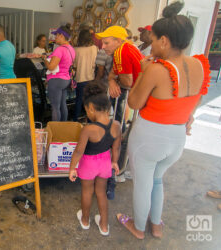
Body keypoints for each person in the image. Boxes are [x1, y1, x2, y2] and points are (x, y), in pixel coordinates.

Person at [116, 1, 211, 239]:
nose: (151, 43)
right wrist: (187, 117)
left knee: (143, 183)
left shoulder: (157, 69)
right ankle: (156, 225)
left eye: (153, 38)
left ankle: (138, 227)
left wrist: (142, 70)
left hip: (150, 137)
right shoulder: (200, 64)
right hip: (177, 139)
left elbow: (134, 103)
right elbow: (195, 100)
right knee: (157, 180)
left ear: (164, 41)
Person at [69, 81, 121, 236]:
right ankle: (104, 226)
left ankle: (85, 221)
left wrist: (72, 168)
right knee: (101, 192)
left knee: (87, 191)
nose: (87, 113)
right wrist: (114, 162)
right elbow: (116, 147)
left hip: (88, 164)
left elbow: (79, 151)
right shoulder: (116, 125)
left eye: (86, 110)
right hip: (105, 163)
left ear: (91, 108)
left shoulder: (88, 129)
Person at [96, 25, 143, 128]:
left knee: (119, 116)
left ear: (118, 40)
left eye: (106, 43)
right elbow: (112, 73)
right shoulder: (124, 47)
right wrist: (112, 80)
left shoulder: (122, 52)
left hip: (140, 96)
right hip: (139, 94)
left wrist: (114, 81)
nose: (103, 46)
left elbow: (127, 82)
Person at [43, 24, 75, 121]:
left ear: (61, 35)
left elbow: (51, 67)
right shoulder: (71, 48)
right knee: (62, 105)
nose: (55, 37)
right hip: (66, 80)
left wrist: (45, 59)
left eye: (56, 35)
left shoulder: (59, 49)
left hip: (56, 80)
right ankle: (63, 127)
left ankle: (55, 131)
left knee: (55, 108)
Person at [73, 29, 98, 121]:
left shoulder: (76, 50)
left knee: (78, 100)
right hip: (91, 78)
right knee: (90, 102)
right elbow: (96, 64)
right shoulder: (94, 48)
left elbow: (74, 65)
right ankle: (90, 121)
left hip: (79, 78)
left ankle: (75, 120)